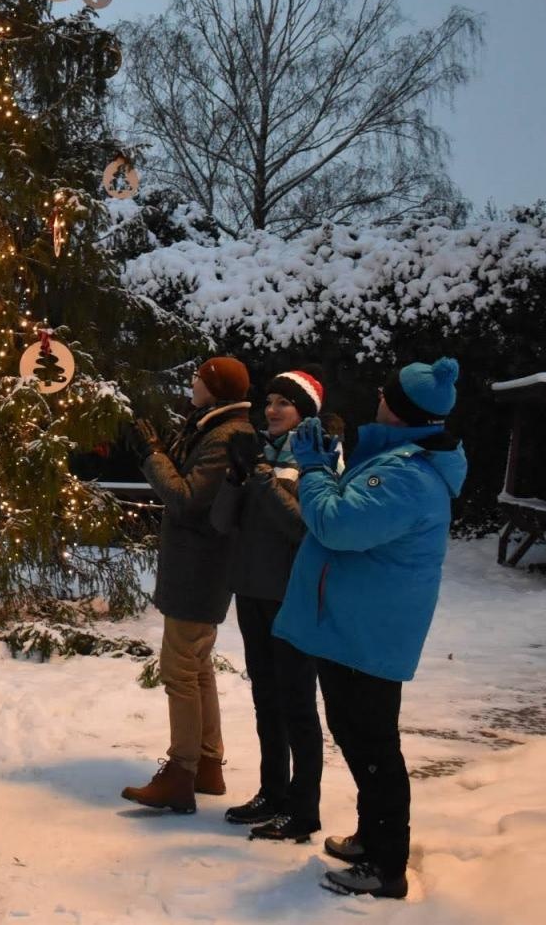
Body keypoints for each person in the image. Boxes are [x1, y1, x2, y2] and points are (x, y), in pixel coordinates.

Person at [275, 358, 466, 900]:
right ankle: (371, 838)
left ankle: (387, 865)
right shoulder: (397, 460)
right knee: (358, 737)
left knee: (374, 746)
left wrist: (312, 469)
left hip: (370, 633)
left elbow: (337, 524)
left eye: (386, 394)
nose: (377, 398)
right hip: (355, 627)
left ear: (398, 409)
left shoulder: (406, 475)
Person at [121, 356, 254, 814]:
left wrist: (152, 455)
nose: (191, 382)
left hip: (200, 568)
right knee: (197, 667)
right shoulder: (213, 428)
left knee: (180, 669)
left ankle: (181, 772)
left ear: (215, 389)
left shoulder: (224, 435)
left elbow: (187, 499)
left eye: (198, 377)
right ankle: (208, 763)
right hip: (200, 566)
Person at [211, 370, 330, 842]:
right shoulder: (260, 454)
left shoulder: (318, 457)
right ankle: (273, 791)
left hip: (293, 595)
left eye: (285, 402)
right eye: (271, 401)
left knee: (297, 702)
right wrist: (235, 479)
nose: (273, 409)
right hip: (253, 589)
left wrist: (259, 476)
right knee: (266, 699)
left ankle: (305, 807)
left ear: (305, 410)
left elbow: (301, 527)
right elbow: (223, 522)